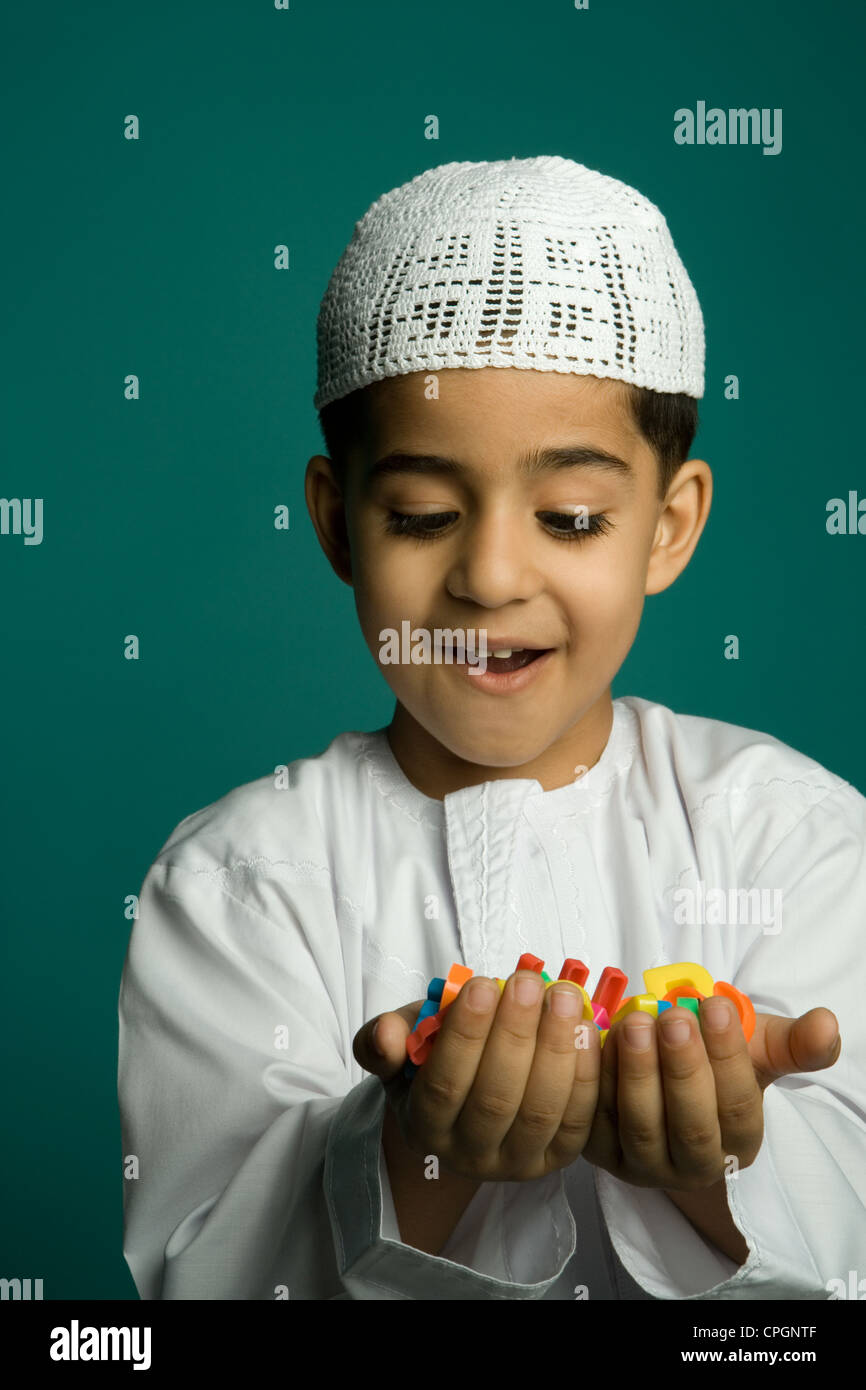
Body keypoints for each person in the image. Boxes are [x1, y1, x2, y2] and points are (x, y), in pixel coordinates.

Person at [118, 155, 864, 1300]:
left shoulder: (797, 839)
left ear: (665, 528)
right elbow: (204, 1283)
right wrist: (406, 1151)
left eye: (569, 517)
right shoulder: (238, 881)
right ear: (335, 523)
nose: (490, 574)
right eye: (421, 514)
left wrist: (714, 1164)